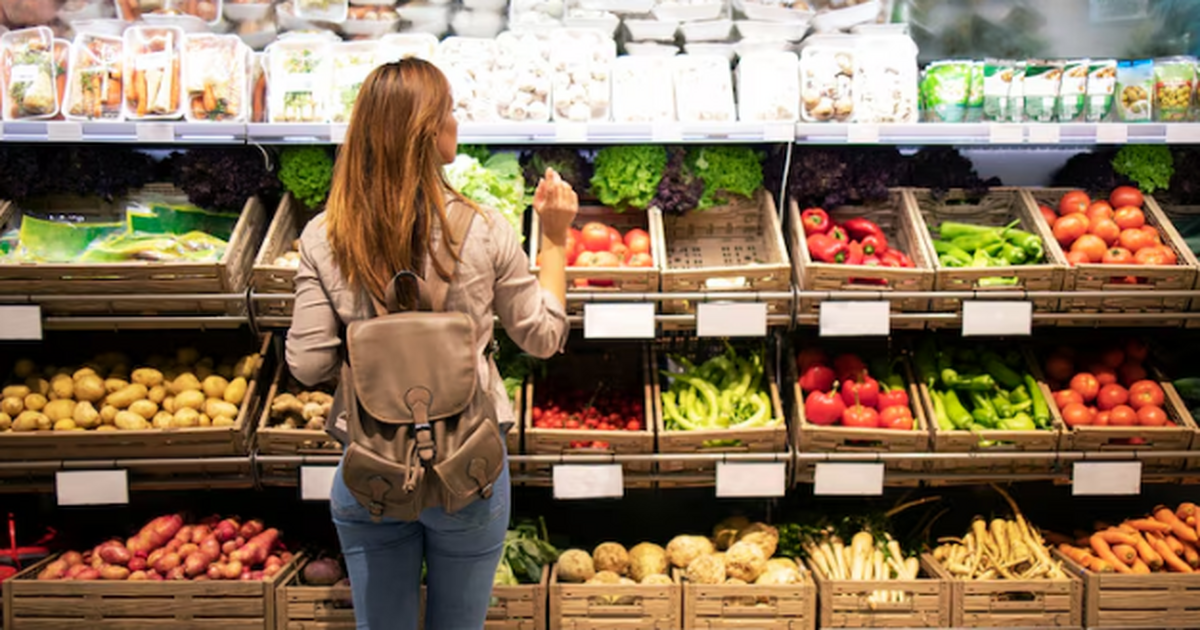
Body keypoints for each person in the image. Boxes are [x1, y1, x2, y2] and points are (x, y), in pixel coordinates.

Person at [285, 58, 576, 630]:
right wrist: (558, 241)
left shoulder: (324, 235)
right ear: (430, 134)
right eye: (449, 113)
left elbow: (308, 362)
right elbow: (542, 337)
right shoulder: (486, 228)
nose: (456, 122)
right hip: (469, 473)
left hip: (370, 470)